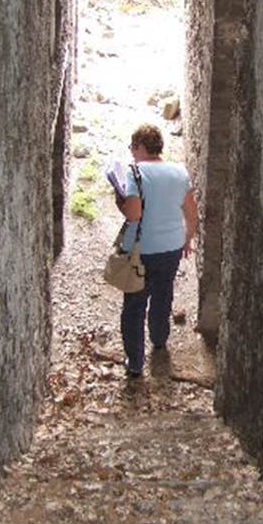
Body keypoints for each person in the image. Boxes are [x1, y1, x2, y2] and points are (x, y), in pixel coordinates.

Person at [114, 123, 198, 378]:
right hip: (171, 246)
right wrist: (188, 238)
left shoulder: (135, 173)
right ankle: (159, 340)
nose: (132, 153)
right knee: (163, 294)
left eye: (133, 147)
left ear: (140, 146)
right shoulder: (179, 172)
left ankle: (135, 362)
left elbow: (134, 213)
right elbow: (191, 212)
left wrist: (119, 200)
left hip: (141, 249)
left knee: (134, 305)